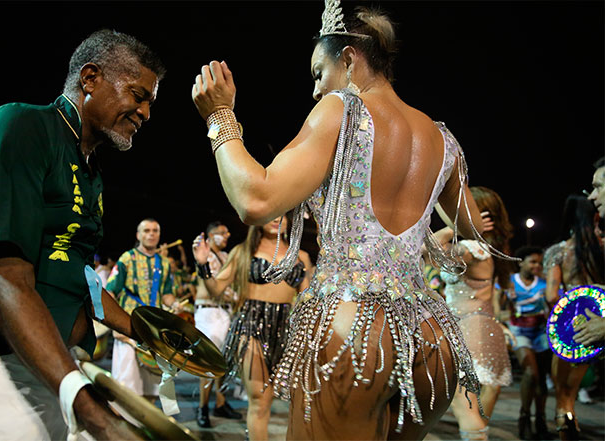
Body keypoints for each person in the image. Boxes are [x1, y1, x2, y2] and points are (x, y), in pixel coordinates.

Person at [190, 3, 500, 439]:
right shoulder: (442, 138)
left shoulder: (344, 110)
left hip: (352, 325)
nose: (316, 90)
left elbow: (256, 200)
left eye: (319, 73)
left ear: (350, 58)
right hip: (432, 334)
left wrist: (220, 116)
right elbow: (472, 226)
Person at [0, 29, 164, 440]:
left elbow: (77, 275)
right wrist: (94, 414)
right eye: (138, 95)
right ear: (90, 78)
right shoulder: (21, 127)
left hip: (41, 360)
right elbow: (5, 278)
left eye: (151, 101)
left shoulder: (89, 170)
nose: (146, 112)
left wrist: (142, 330)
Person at [192, 216, 312, 440]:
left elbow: (307, 301)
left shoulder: (301, 256)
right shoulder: (242, 252)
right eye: (271, 214)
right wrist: (203, 265)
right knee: (260, 398)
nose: (277, 218)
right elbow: (216, 289)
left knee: (286, 401)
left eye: (283, 214)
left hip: (286, 330)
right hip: (250, 325)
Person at [433, 187, 514, 441]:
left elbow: (428, 251)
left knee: (468, 412)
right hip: (480, 328)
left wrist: (452, 229)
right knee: (475, 417)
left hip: (471, 330)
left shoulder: (473, 248)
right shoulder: (483, 248)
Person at [544, 194, 604, 440]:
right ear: (596, 216)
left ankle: (567, 432)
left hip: (576, 331)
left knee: (565, 396)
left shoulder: (559, 251)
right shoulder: (601, 246)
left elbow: (550, 295)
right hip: (601, 321)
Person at [106, 218, 178, 409]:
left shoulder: (164, 263)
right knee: (125, 387)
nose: (151, 234)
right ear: (138, 235)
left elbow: (167, 294)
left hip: (154, 331)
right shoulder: (126, 259)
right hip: (128, 330)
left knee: (152, 387)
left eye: (155, 230)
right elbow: (111, 291)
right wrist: (115, 322)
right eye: (146, 230)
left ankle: (146, 431)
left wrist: (175, 304)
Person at [192, 221, 242, 428]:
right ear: (211, 236)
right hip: (209, 312)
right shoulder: (207, 256)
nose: (228, 234)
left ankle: (220, 403)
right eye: (223, 232)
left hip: (225, 312)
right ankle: (202, 407)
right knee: (208, 362)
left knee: (222, 362)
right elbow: (215, 287)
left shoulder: (224, 256)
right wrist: (238, 296)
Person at [501, 245, 551, 439]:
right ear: (521, 263)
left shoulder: (545, 283)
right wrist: (510, 314)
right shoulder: (508, 282)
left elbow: (553, 305)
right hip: (519, 331)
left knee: (542, 380)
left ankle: (541, 419)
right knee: (530, 373)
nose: (537, 266)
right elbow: (498, 309)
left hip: (541, 332)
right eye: (533, 262)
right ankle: (524, 417)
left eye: (539, 262)